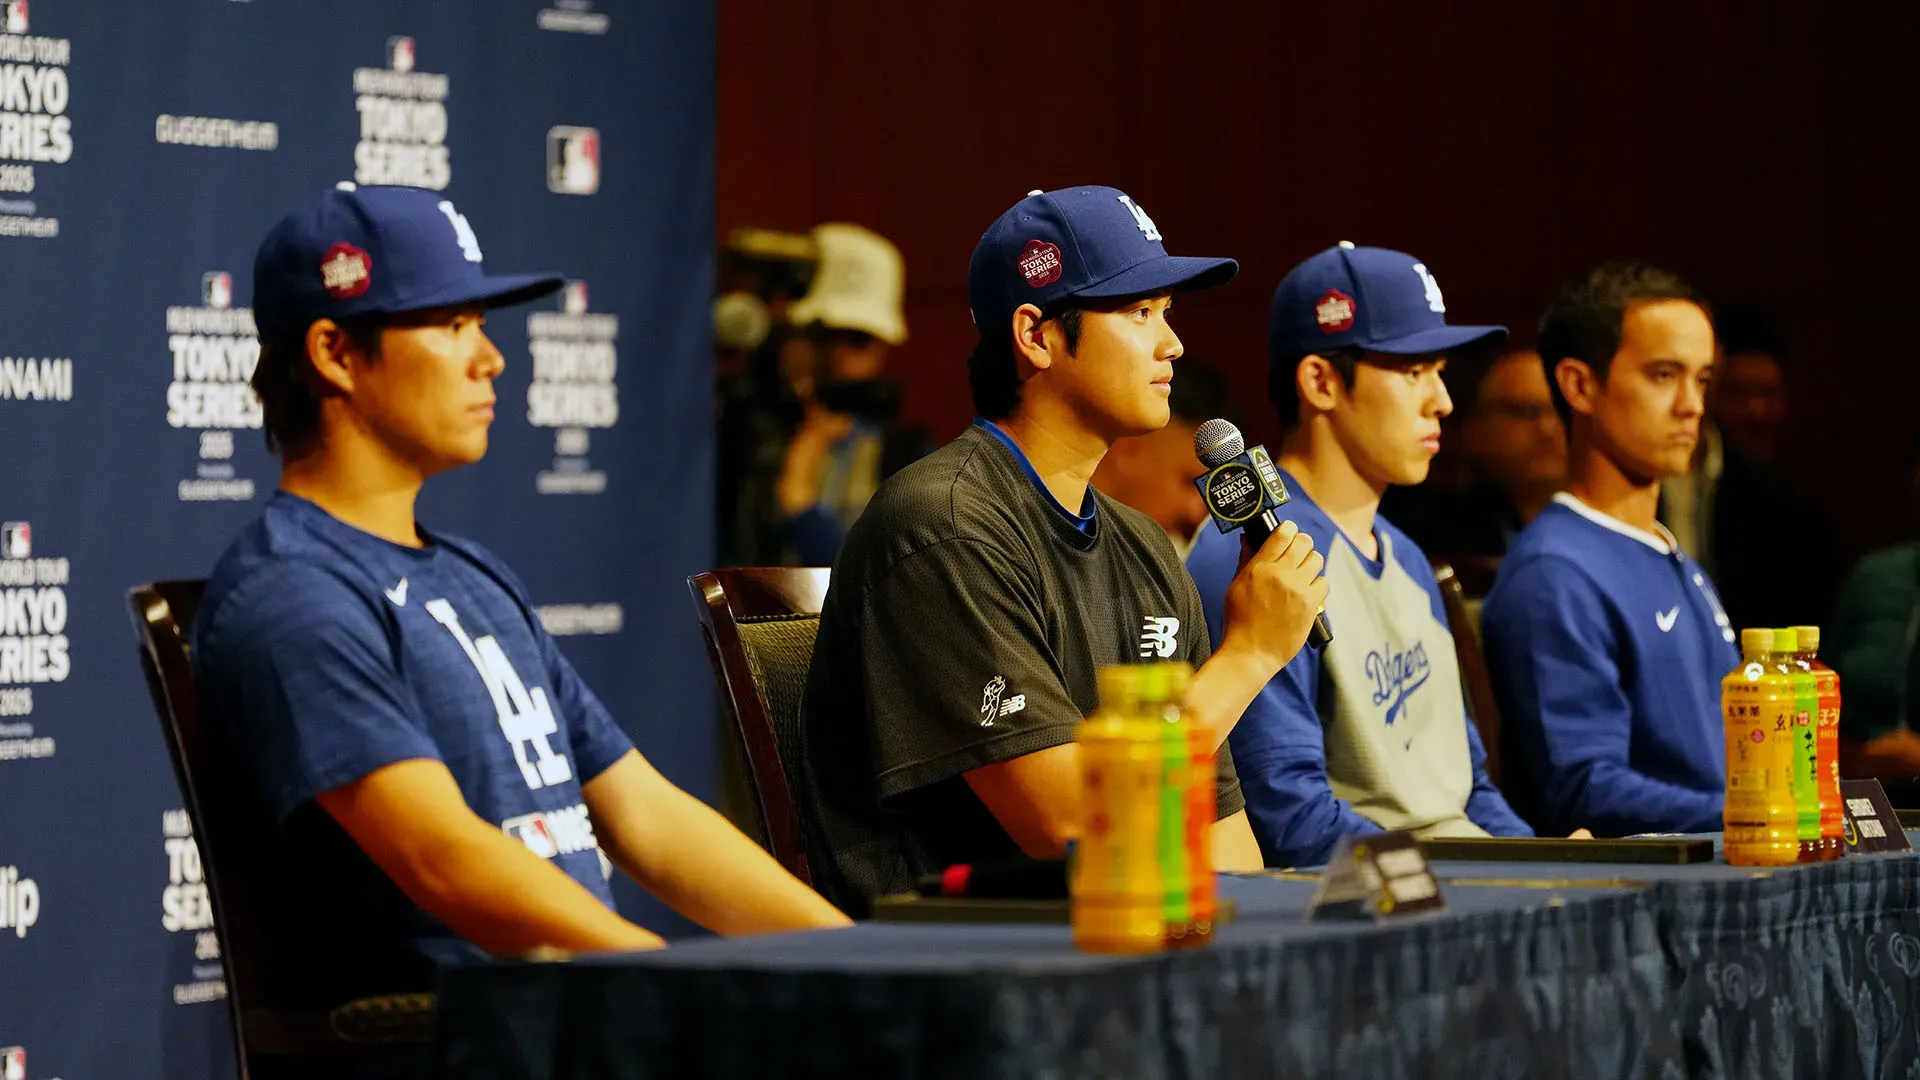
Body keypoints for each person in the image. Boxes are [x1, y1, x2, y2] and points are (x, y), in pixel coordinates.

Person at [192, 186, 848, 1019]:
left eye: (482, 324)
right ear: (335, 353)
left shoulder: (471, 574)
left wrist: (850, 957)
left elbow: (644, 817)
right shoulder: (293, 595)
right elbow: (444, 859)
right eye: (451, 325)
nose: (491, 358)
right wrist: (676, 990)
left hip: (571, 1024)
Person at [796, 186, 1329, 914]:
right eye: (1141, 313)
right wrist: (1250, 656)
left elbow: (1220, 834)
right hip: (968, 969)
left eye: (1168, 314)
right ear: (1037, 335)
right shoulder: (944, 528)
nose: (1172, 343)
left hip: (1126, 946)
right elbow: (1070, 824)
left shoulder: (1142, 545)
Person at [1186, 243, 1535, 867]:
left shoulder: (1407, 555)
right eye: (1413, 371)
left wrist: (1545, 865)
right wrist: (1489, 875)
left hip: (1456, 886)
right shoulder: (1250, 555)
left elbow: (1469, 789)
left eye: (1440, 372)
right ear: (1320, 381)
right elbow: (1291, 818)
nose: (1443, 402)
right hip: (1373, 914)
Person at [1480, 262, 1738, 837]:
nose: (1692, 405)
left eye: (1701, 379)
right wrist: (1745, 817)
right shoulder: (1556, 571)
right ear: (1579, 385)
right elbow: (1584, 787)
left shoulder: (1668, 552)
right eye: (1664, 375)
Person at [1660, 326, 1840, 632]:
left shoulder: (1785, 506)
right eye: (1666, 376)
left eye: (1701, 378)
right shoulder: (1633, 478)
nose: (1755, 411)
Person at [1382, 344, 1566, 562]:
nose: (1547, 428)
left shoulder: (1603, 521)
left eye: (1558, 410)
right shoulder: (1427, 531)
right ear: (1474, 427)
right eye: (1525, 411)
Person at [1091, 356, 1239, 557]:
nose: (1197, 514)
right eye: (1189, 482)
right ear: (1128, 443)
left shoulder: (1174, 558)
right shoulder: (1041, 531)